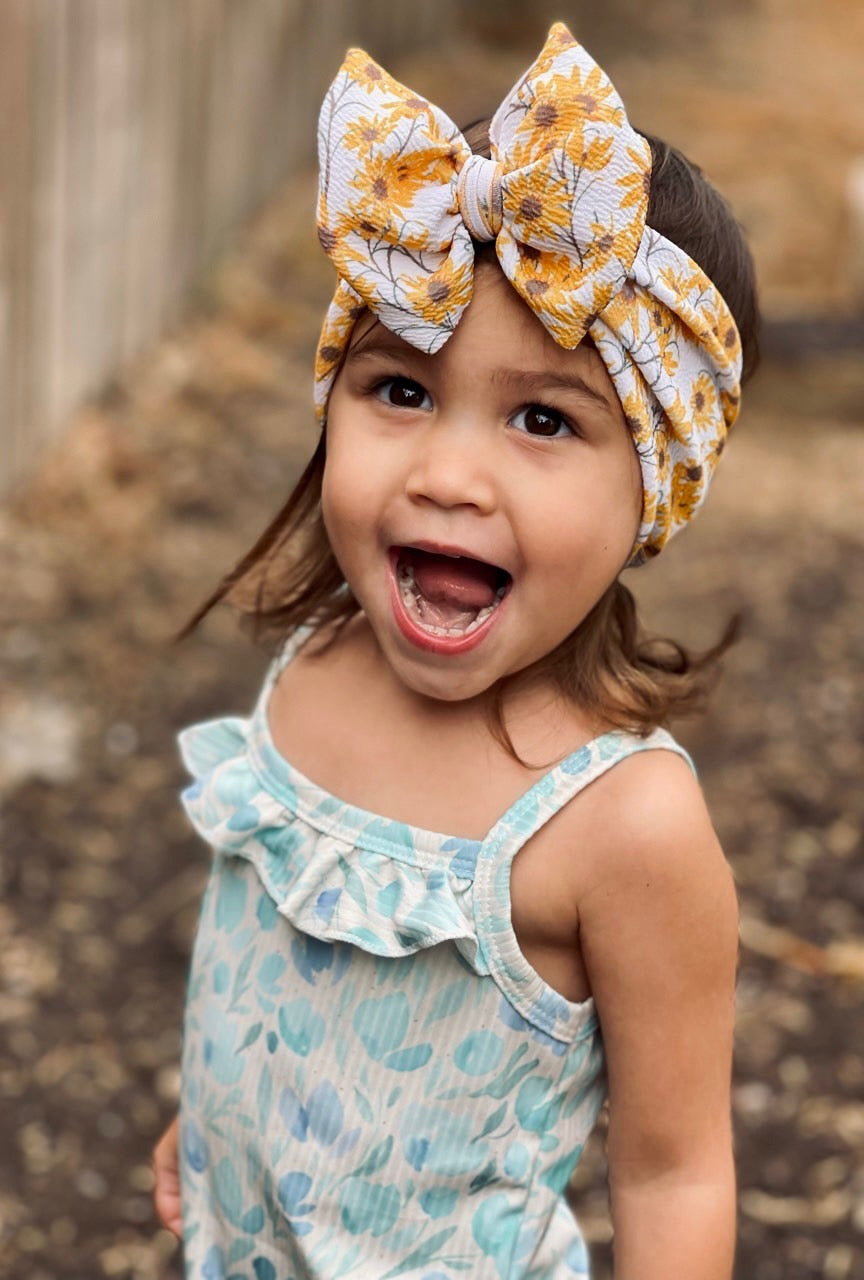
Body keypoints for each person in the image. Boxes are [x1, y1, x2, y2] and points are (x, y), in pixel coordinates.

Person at [152, 22, 758, 1280]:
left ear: (654, 486)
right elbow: (280, 993)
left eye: (542, 417)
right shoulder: (317, 660)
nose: (448, 474)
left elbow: (676, 1169)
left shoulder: (623, 825)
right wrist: (220, 1122)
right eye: (402, 390)